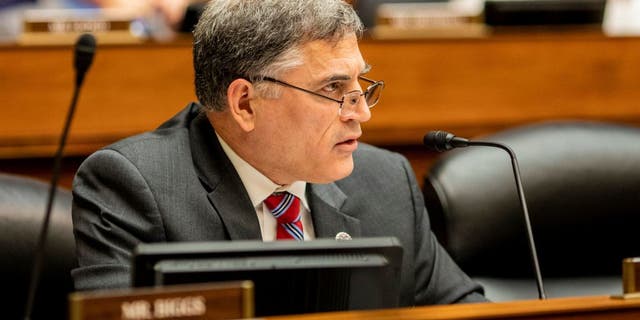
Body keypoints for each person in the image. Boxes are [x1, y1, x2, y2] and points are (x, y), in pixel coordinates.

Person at [71, 0, 487, 306]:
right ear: (246, 104)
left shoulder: (385, 181)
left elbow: (468, 313)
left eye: (362, 86)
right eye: (333, 89)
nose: (362, 113)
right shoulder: (134, 186)